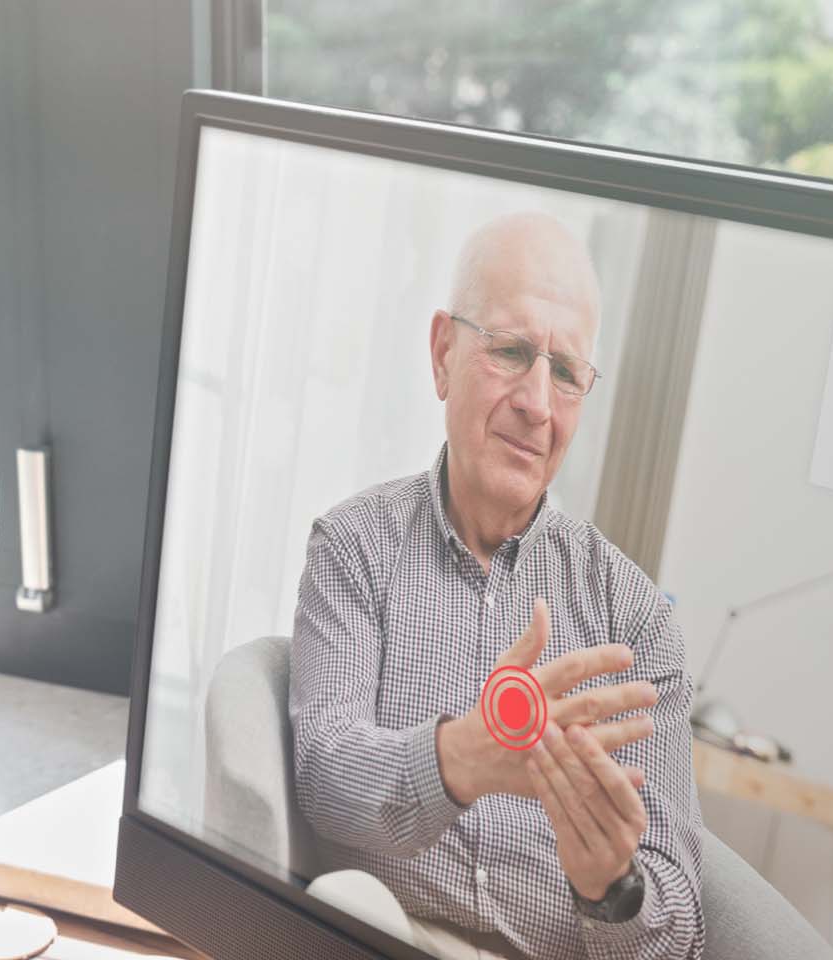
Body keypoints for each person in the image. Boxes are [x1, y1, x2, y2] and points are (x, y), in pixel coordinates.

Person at [286, 212, 705, 959]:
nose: (539, 404)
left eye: (567, 373)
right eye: (512, 351)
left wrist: (609, 885)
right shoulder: (355, 546)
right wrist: (458, 761)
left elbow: (682, 936)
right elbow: (321, 776)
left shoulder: (636, 623)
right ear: (444, 353)